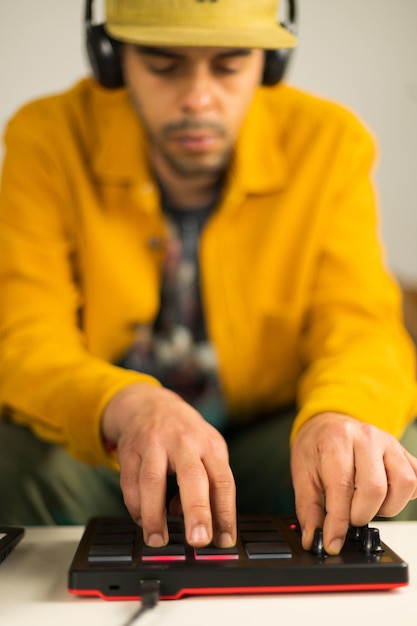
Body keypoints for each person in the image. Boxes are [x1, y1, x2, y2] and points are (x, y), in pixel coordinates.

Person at [1, 0, 417, 556]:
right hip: (108, 436)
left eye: (228, 64)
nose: (197, 98)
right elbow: (25, 339)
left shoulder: (331, 141)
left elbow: (362, 326)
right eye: (162, 64)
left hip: (270, 433)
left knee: (385, 458)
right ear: (111, 57)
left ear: (268, 64)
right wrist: (133, 406)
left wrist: (340, 413)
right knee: (21, 463)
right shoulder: (46, 136)